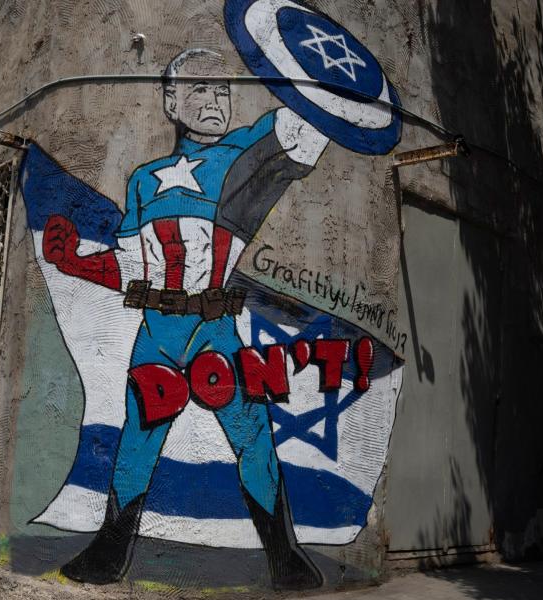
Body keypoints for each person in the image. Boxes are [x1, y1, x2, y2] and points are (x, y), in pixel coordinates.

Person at [42, 49, 330, 590]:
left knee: (252, 439)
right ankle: (109, 553)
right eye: (198, 88)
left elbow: (302, 132)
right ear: (170, 102)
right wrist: (75, 261)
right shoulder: (143, 180)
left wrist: (322, 70)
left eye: (221, 89)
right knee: (136, 443)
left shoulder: (244, 154)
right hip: (157, 332)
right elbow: (132, 265)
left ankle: (283, 556)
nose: (214, 98)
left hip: (215, 332)